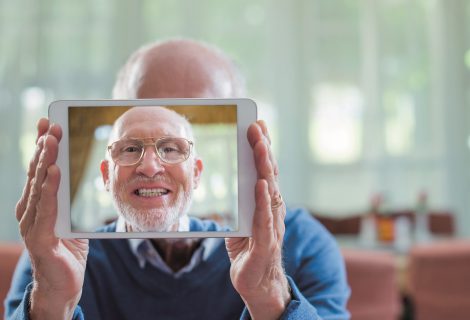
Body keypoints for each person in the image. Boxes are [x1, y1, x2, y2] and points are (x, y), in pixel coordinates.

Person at [6, 39, 350, 319]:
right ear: (108, 170)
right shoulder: (56, 251)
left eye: (172, 146)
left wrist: (270, 295)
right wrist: (52, 305)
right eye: (132, 146)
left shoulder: (301, 243)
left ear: (198, 169)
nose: (151, 166)